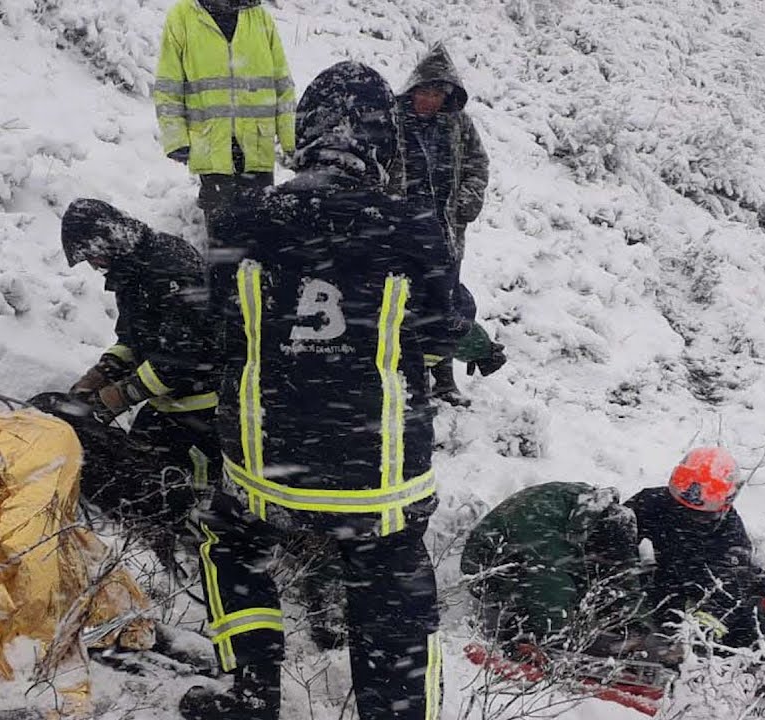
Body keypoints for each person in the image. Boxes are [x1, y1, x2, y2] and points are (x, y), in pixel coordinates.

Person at [162, 61, 465, 720]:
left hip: (265, 465)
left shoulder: (243, 221)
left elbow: (215, 324)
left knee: (231, 544)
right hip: (377, 471)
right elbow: (445, 335)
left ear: (302, 134)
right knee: (392, 591)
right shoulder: (411, 226)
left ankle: (250, 692)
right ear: (383, 141)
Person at [55, 198, 219, 558]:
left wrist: (116, 397)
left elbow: (179, 359)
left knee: (193, 482)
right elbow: (133, 340)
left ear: (107, 241)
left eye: (93, 257)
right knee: (141, 465)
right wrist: (96, 378)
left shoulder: (169, 269)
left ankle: (208, 544)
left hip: (205, 403)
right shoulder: (134, 271)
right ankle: (169, 531)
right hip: (171, 399)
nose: (95, 267)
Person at [398, 42, 502, 403]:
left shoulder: (459, 125)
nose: (430, 100)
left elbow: (478, 165)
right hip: (403, 234)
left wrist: (465, 203)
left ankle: (443, 377)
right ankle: (410, 376)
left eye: (438, 94)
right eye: (425, 91)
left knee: (446, 303)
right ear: (413, 89)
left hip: (447, 232)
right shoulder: (394, 121)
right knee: (407, 305)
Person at [460, 482, 660, 659]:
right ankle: (527, 640)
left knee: (590, 581)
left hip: (542, 558)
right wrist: (558, 641)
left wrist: (636, 625)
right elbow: (549, 585)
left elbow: (622, 571)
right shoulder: (544, 524)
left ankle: (555, 630)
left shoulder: (603, 517)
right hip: (487, 565)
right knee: (559, 592)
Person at [153, 0, 295, 232]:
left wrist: (290, 139)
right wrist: (175, 138)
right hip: (211, 147)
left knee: (262, 231)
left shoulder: (259, 17)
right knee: (223, 237)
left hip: (257, 145)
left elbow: (282, 83)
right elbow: (168, 85)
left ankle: (258, 268)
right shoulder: (183, 16)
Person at [627, 447, 765, 648]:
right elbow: (614, 543)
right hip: (647, 585)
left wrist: (693, 635)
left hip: (689, 598)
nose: (694, 498)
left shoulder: (729, 534)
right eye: (687, 485)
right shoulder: (651, 502)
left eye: (709, 491)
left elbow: (726, 593)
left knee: (746, 616)